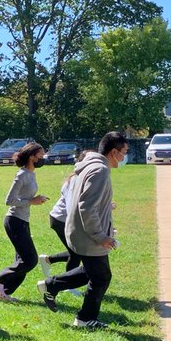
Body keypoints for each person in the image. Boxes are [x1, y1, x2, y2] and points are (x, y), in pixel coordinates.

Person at [41, 130, 127, 328]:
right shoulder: (99, 170)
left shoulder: (91, 167)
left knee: (94, 273)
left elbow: (91, 204)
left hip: (82, 231)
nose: (124, 157)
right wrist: (100, 236)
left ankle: (51, 286)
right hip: (88, 235)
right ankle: (84, 318)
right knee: (101, 277)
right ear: (114, 152)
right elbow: (86, 207)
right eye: (124, 151)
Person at [0, 142, 48, 302]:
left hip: (23, 220)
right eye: (41, 156)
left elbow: (26, 197)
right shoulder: (22, 174)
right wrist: (31, 201)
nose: (43, 159)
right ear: (31, 157)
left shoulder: (31, 174)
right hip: (14, 221)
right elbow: (9, 200)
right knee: (30, 261)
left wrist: (35, 200)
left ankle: (4, 293)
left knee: (21, 261)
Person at [36, 156, 85, 301]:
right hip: (61, 220)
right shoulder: (74, 181)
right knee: (76, 253)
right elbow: (72, 206)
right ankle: (70, 285)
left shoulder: (81, 179)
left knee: (76, 252)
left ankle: (48, 260)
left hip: (63, 219)